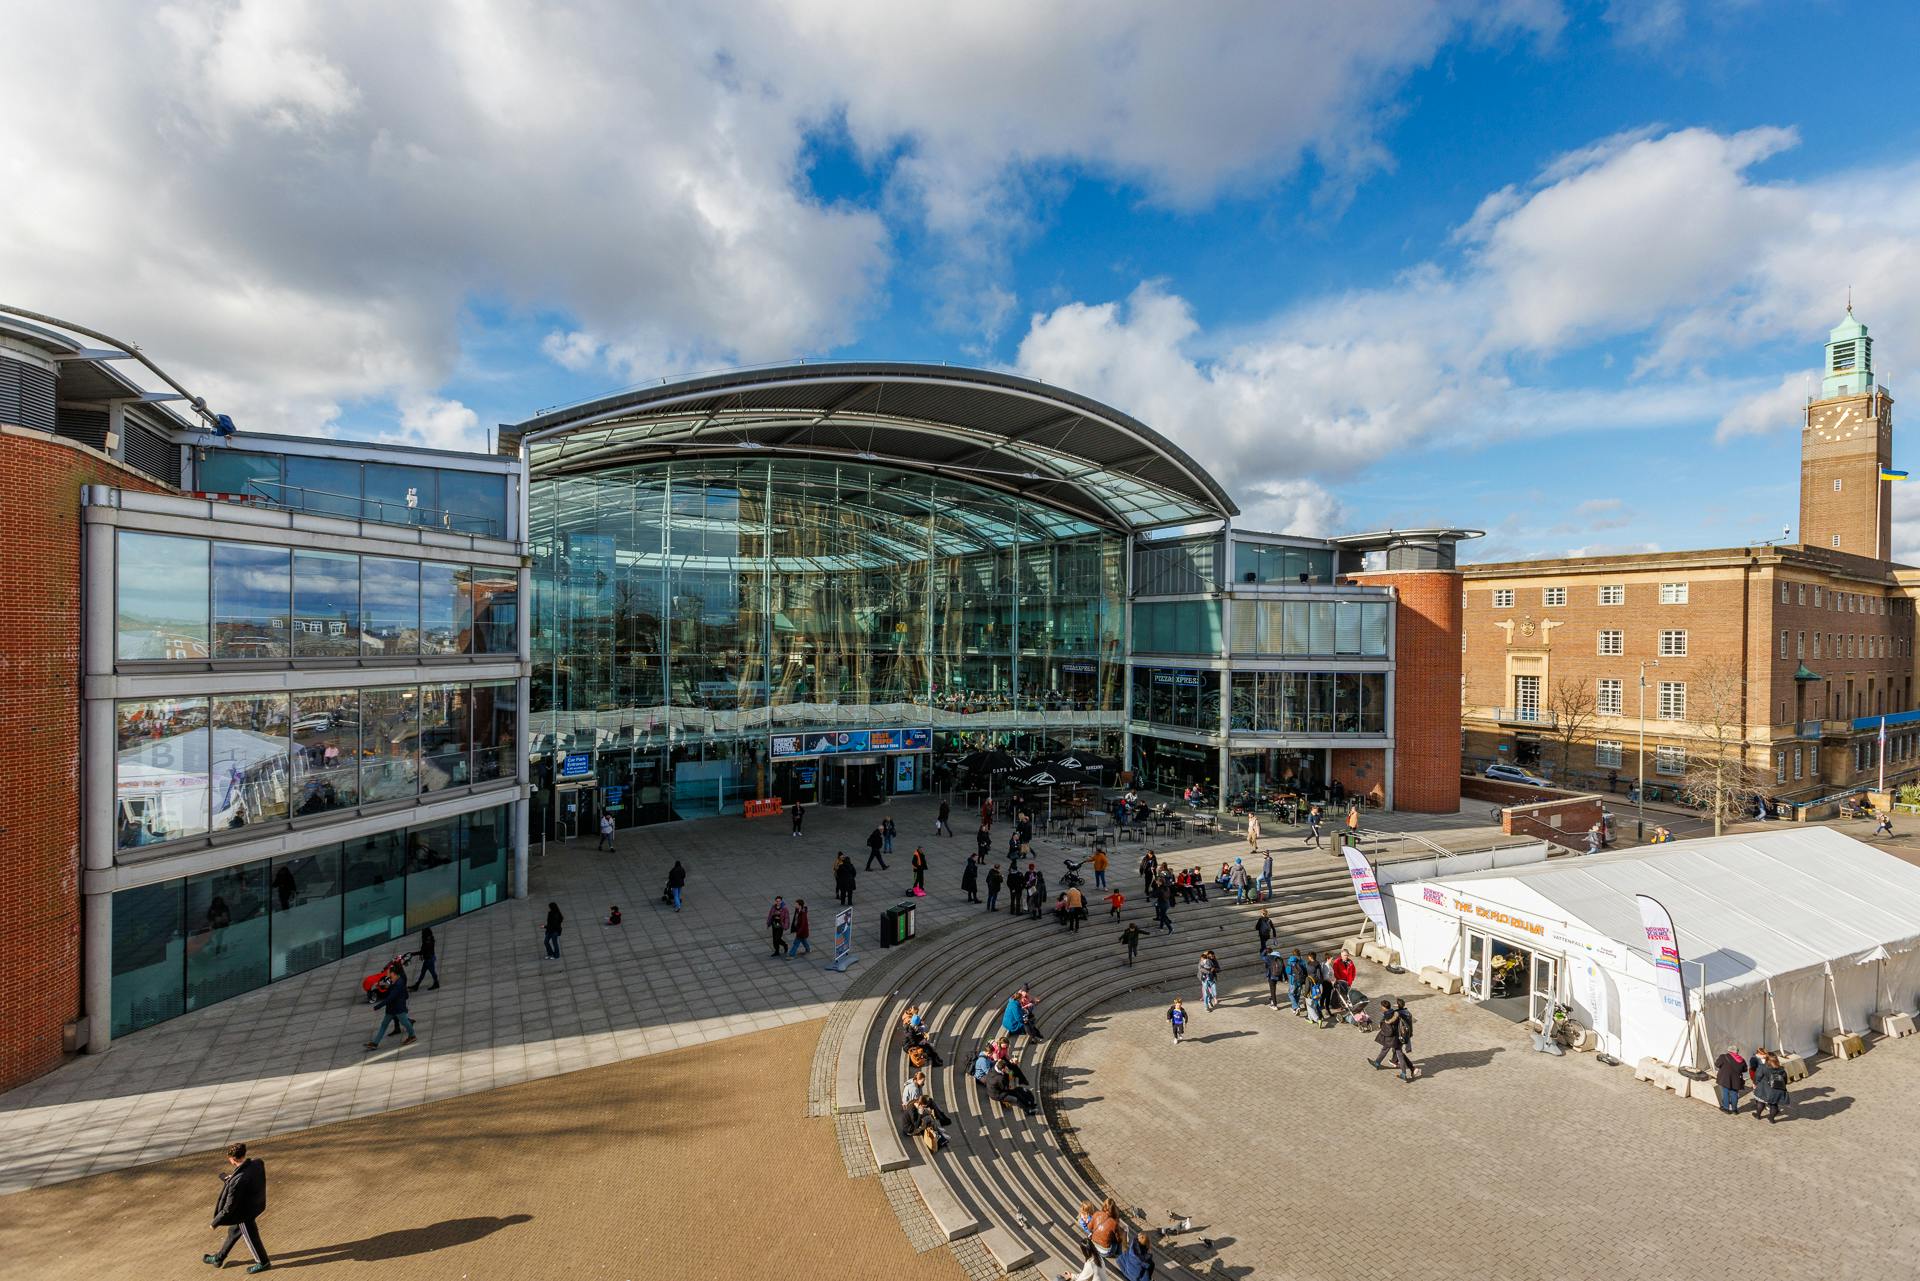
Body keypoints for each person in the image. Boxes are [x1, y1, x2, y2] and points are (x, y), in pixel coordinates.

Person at [203, 1142, 271, 1273]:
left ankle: (263, 1262)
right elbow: (247, 1178)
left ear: (232, 1159)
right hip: (256, 1204)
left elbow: (229, 1207)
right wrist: (232, 1179)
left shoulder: (238, 1181)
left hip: (244, 1213)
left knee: (251, 1237)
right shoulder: (258, 1163)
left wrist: (215, 1222)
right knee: (233, 1232)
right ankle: (219, 1258)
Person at [365, 960, 416, 1049]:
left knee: (405, 1023)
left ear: (394, 973)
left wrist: (378, 1006)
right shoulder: (395, 980)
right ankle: (375, 1043)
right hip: (391, 1008)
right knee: (384, 1025)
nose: (387, 975)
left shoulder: (399, 983)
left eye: (389, 973)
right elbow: (390, 987)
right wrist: (382, 986)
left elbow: (390, 998)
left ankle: (412, 1036)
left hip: (398, 1008)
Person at [1751, 1050, 1791, 1122]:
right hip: (1777, 1090)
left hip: (1764, 1089)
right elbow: (1785, 1080)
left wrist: (1755, 1083)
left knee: (1760, 1102)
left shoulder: (1763, 1067)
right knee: (1774, 1105)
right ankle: (1771, 1119)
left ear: (1767, 1059)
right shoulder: (1782, 1069)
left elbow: (1757, 1077)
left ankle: (1758, 1115)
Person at [1713, 1044, 1748, 1115]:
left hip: (1725, 1079)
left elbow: (1717, 1064)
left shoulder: (1723, 1057)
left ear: (1729, 1051)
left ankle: (1726, 1108)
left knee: (1725, 1093)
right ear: (1736, 1052)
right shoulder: (1741, 1060)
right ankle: (1735, 1110)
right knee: (1734, 1094)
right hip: (1736, 1080)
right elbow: (1745, 1070)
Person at [413, 924, 440, 991]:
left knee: (431, 972)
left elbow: (422, 951)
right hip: (430, 958)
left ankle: (436, 983)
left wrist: (413, 954)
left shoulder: (427, 942)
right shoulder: (430, 940)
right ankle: (417, 985)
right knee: (424, 972)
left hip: (429, 960)